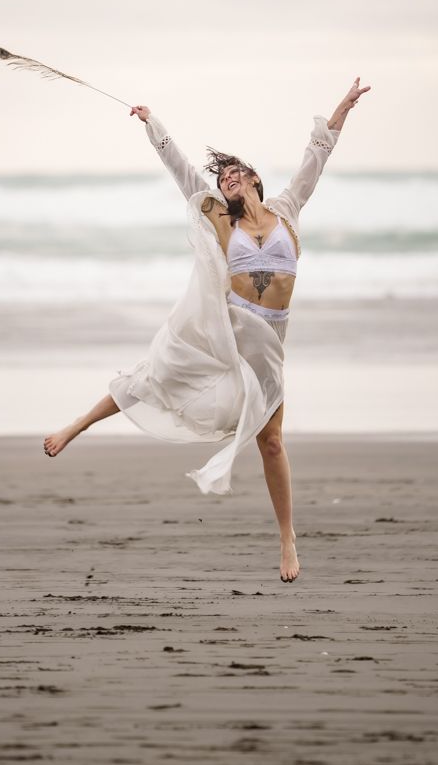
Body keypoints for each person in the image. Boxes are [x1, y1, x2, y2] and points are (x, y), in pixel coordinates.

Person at [44, 77, 371, 581]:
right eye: (224, 179)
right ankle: (76, 426)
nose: (230, 180)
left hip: (271, 343)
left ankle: (287, 540)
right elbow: (180, 170)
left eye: (239, 174)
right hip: (231, 330)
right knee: (156, 374)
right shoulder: (221, 221)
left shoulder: (287, 210)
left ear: (256, 180)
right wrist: (154, 126)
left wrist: (342, 108)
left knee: (273, 443)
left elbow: (317, 155)